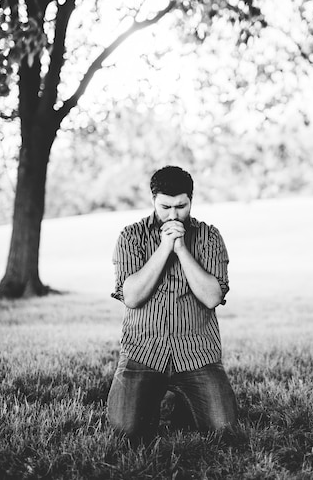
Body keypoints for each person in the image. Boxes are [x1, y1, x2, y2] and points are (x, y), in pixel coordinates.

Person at [107, 165, 237, 443]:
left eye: (181, 206)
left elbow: (212, 297)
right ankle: (159, 396)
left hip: (197, 353)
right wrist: (164, 248)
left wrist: (180, 248)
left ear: (191, 200)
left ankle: (182, 400)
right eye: (166, 206)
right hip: (143, 353)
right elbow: (132, 297)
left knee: (223, 429)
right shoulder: (131, 236)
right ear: (153, 200)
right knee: (126, 431)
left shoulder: (209, 236)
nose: (174, 215)